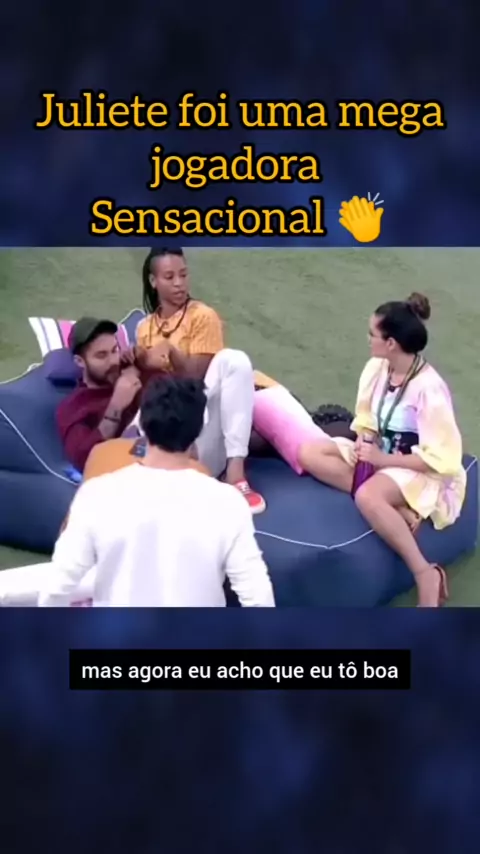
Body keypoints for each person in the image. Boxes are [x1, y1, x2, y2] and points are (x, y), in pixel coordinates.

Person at [39, 376, 275, 607]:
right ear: (198, 430)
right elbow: (258, 596)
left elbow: (56, 587)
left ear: (142, 425)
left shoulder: (97, 494)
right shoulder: (227, 502)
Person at [298, 292, 466, 608]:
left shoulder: (429, 389)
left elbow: (442, 458)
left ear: (391, 343)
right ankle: (398, 511)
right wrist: (365, 441)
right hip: (380, 457)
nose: (368, 339)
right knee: (309, 452)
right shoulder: (377, 368)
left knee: (367, 496)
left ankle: (425, 573)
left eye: (372, 334)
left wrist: (381, 459)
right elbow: (367, 417)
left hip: (416, 468)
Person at [130, 247, 266, 513]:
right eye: (169, 277)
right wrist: (140, 361)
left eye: (183, 274)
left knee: (233, 360)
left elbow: (196, 380)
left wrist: (171, 352)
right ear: (153, 281)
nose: (179, 283)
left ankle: (235, 474)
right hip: (166, 444)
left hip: (201, 432)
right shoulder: (143, 328)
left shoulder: (203, 316)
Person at [56, 317, 144, 473]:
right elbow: (85, 460)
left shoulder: (131, 371)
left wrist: (143, 362)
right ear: (80, 361)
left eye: (114, 350)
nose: (113, 361)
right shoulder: (74, 407)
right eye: (101, 355)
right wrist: (115, 407)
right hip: (129, 472)